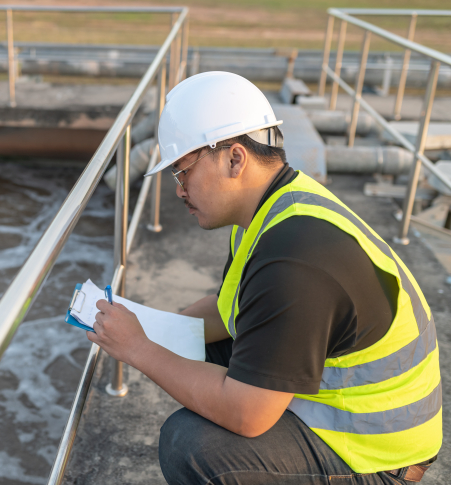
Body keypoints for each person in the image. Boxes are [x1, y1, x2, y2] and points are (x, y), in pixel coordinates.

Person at [87, 72, 441, 484]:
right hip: (340, 402)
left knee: (191, 446)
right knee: (187, 349)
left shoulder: (295, 257)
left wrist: (140, 349)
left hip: (379, 454)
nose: (179, 190)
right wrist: (151, 329)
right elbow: (228, 311)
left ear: (235, 159)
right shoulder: (273, 208)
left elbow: (246, 415)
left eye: (182, 172)